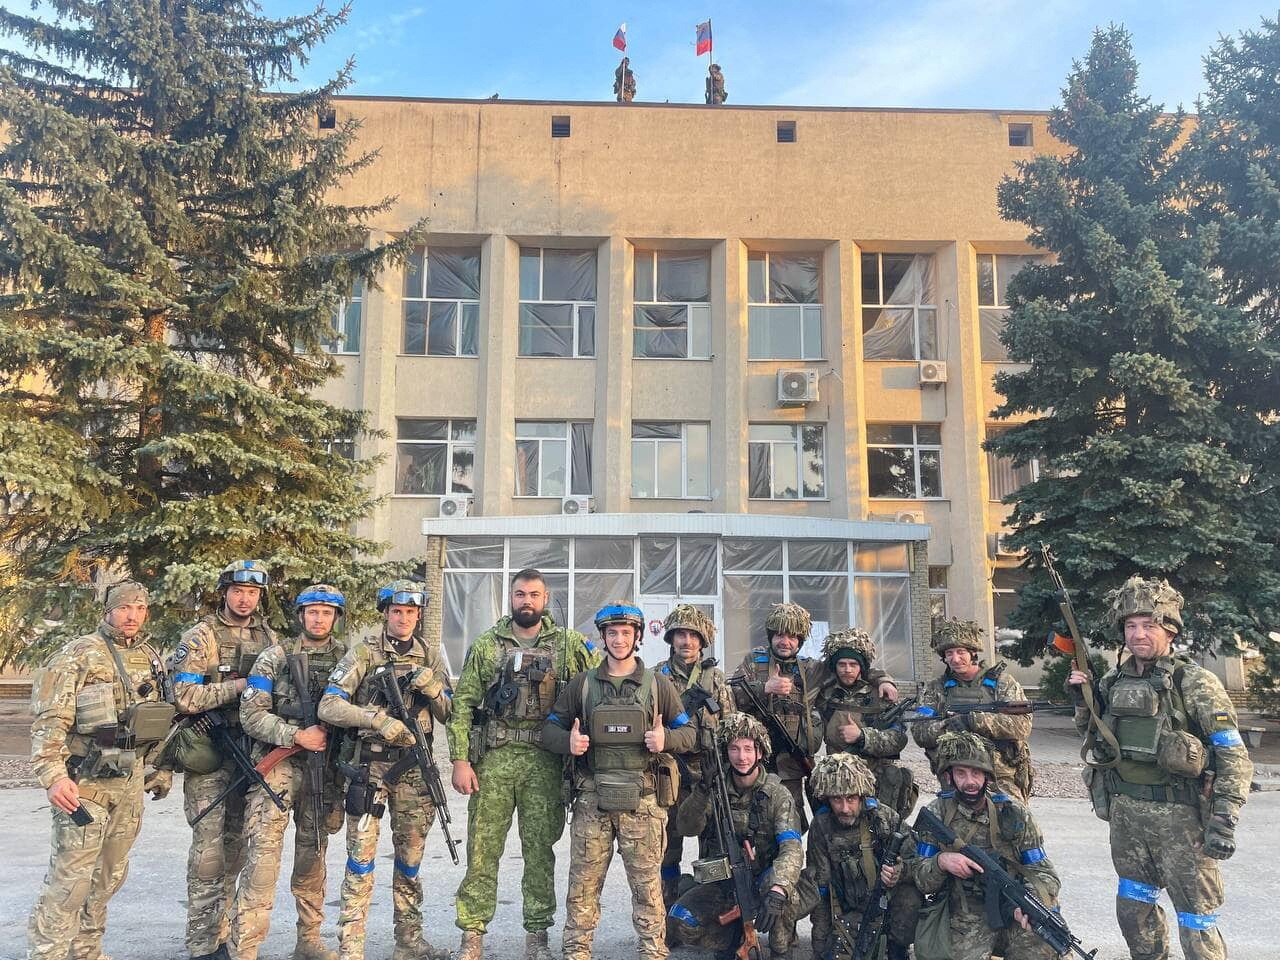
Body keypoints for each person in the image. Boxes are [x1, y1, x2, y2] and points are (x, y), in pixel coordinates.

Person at [1066, 576, 1252, 960]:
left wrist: (1224, 818)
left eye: (1149, 625)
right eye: (1130, 626)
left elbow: (1233, 755)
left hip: (1182, 820)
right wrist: (1083, 699)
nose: (1138, 634)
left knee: (1196, 919)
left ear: (1170, 631)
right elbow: (1096, 738)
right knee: (1134, 912)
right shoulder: (1113, 681)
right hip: (1127, 818)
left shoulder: (1195, 682)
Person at [446, 569, 600, 960]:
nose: (526, 601)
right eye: (519, 594)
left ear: (545, 599)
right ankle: (472, 933)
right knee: (482, 850)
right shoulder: (488, 645)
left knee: (540, 852)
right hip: (494, 761)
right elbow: (463, 705)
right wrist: (461, 760)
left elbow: (601, 682)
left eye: (533, 594)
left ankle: (537, 934)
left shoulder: (568, 645)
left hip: (545, 763)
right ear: (511, 598)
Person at [541, 602, 697, 960]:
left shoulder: (658, 685)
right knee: (582, 886)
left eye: (626, 632)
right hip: (592, 800)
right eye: (612, 633)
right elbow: (549, 728)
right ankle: (577, 951)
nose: (619, 639)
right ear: (603, 637)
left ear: (637, 636)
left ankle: (652, 950)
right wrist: (568, 742)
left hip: (643, 802)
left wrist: (666, 740)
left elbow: (689, 733)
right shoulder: (582, 685)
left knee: (647, 888)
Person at [27, 581, 174, 960]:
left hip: (129, 780)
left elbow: (160, 719)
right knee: (71, 879)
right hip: (84, 780)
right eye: (124, 608)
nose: (132, 616)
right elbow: (49, 722)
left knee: (109, 875)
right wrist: (53, 776)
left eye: (140, 609)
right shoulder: (78, 655)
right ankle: (47, 953)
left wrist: (159, 768)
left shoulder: (151, 657)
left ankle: (86, 950)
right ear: (108, 610)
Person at [317, 580, 452, 960]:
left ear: (419, 615)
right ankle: (351, 947)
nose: (403, 618)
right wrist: (376, 720)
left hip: (414, 770)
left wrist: (432, 688)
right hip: (371, 768)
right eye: (397, 611)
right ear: (386, 614)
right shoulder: (364, 652)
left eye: (410, 612)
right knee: (360, 861)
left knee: (410, 860)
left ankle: (409, 941)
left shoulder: (430, 656)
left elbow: (449, 712)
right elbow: (329, 705)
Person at [230, 584, 350, 960]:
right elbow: (251, 714)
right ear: (301, 616)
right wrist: (296, 735)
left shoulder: (348, 658)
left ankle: (309, 940)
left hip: (324, 770)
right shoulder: (275, 656)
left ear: (336, 618)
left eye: (326, 613)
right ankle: (246, 947)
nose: (319, 619)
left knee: (313, 855)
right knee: (263, 858)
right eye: (312, 612)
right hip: (278, 766)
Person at [172, 559, 277, 960]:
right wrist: (241, 686)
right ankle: (201, 944)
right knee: (208, 852)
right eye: (238, 591)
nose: (245, 599)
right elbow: (185, 697)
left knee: (236, 847)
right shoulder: (201, 637)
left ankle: (224, 936)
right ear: (225, 593)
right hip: (210, 750)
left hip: (250, 751)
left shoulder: (267, 636)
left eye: (252, 592)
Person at [732, 602, 897, 828]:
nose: (785, 641)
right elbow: (730, 694)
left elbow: (849, 667)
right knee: (753, 820)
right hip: (752, 760)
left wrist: (884, 680)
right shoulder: (753, 661)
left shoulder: (811, 669)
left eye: (792, 636)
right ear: (771, 637)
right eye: (779, 635)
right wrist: (765, 688)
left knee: (790, 819)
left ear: (800, 641)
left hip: (791, 764)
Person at [905, 732, 1058, 960]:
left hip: (1013, 908)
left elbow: (1043, 872)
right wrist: (941, 862)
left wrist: (1029, 903)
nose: (970, 781)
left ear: (988, 776)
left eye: (976, 773)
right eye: (961, 773)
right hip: (964, 912)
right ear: (949, 776)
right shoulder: (937, 814)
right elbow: (919, 877)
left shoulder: (1014, 814)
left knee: (1047, 942)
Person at [666, 712, 803, 959]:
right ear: (725, 752)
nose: (741, 757)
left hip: (763, 881)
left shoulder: (777, 794)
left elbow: (791, 848)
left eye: (748, 749)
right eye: (734, 749)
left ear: (760, 752)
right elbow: (686, 828)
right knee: (680, 920)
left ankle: (781, 949)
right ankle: (729, 939)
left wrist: (778, 888)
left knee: (785, 895)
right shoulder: (714, 788)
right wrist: (702, 789)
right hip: (722, 884)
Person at [653, 603, 734, 908]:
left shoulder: (716, 679)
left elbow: (730, 726)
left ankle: (707, 909)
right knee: (666, 848)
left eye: (693, 635)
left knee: (713, 846)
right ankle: (666, 910)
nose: (686, 641)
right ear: (671, 638)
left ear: (702, 640)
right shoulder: (656, 677)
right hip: (668, 770)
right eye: (680, 634)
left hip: (708, 772)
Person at [794, 752, 907, 960]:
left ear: (862, 795)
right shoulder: (822, 825)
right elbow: (822, 888)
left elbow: (916, 862)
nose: (845, 808)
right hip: (851, 913)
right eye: (837, 799)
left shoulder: (884, 818)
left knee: (911, 898)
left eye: (851, 798)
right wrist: (820, 948)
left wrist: (899, 871)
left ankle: (898, 947)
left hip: (889, 909)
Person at [911, 618, 1034, 801]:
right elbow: (919, 730)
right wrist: (949, 725)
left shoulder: (1002, 683)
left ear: (973, 653)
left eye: (961, 652)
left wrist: (974, 721)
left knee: (1012, 817)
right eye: (949, 653)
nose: (955, 659)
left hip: (1000, 774)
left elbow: (1022, 726)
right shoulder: (936, 688)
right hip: (956, 776)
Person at [816, 627, 917, 818]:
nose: (847, 670)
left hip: (876, 778)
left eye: (853, 664)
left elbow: (899, 739)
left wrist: (862, 737)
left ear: (861, 667)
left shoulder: (880, 694)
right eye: (842, 664)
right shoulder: (825, 693)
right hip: (839, 779)